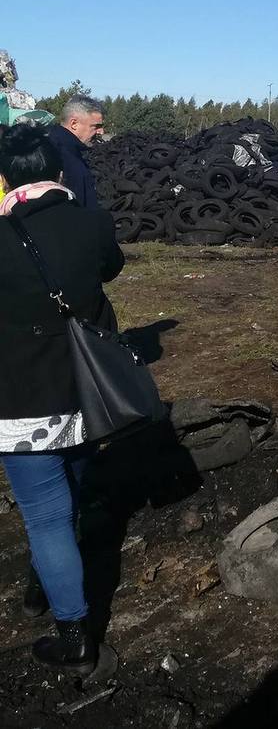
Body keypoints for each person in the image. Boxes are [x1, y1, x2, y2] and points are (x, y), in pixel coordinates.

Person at [0, 123, 124, 674]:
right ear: (57, 172)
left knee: (45, 517)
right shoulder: (92, 223)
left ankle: (73, 632)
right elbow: (110, 269)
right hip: (87, 389)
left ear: (6, 180)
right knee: (68, 494)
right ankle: (46, 582)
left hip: (19, 398)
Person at [46, 95, 105, 211]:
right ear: (74, 124)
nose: (101, 132)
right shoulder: (59, 155)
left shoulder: (72, 150)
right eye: (96, 126)